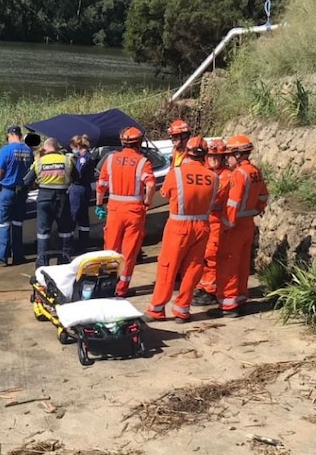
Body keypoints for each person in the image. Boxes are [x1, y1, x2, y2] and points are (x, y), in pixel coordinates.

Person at [146, 137, 228, 323]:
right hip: (203, 226)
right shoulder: (214, 177)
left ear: (187, 153)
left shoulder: (176, 173)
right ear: (205, 156)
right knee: (193, 268)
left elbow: (165, 193)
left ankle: (157, 309)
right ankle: (182, 310)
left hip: (178, 225)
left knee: (168, 266)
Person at [212, 135, 270, 317]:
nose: (226, 158)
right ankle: (241, 297)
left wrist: (226, 225)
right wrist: (254, 211)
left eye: (229, 154)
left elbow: (233, 202)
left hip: (234, 226)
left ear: (238, 155)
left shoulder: (238, 174)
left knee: (228, 264)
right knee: (243, 265)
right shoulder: (255, 171)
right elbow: (263, 197)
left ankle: (228, 305)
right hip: (248, 224)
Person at [95, 126, 155, 297]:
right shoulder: (143, 162)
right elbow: (150, 185)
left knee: (110, 250)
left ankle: (107, 286)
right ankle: (121, 289)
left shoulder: (111, 159)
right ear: (139, 143)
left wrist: (99, 205)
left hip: (114, 209)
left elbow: (101, 185)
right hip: (134, 212)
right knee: (129, 251)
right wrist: (147, 202)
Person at [192, 139, 234, 306]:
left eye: (217, 157)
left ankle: (211, 290)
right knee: (202, 255)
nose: (213, 160)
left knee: (212, 255)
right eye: (211, 157)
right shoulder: (205, 172)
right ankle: (203, 285)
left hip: (217, 220)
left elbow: (215, 198)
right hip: (204, 220)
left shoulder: (227, 176)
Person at [24, 137, 76, 266]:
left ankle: (42, 263)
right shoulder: (67, 160)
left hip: (44, 197)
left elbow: (27, 182)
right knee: (65, 231)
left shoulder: (39, 162)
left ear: (45, 148)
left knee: (43, 233)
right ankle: (64, 261)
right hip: (63, 198)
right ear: (57, 148)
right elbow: (77, 177)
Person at [0, 125, 33, 267]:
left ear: (10, 134)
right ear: (20, 135)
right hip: (22, 192)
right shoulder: (28, 151)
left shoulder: (6, 150)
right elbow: (31, 173)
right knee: (18, 224)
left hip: (7, 191)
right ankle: (18, 256)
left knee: (3, 224)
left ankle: (2, 258)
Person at [69, 134, 95, 253]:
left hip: (79, 188)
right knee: (83, 217)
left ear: (77, 146)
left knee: (74, 215)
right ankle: (83, 242)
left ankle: (69, 243)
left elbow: (78, 174)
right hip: (85, 188)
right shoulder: (87, 157)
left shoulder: (84, 158)